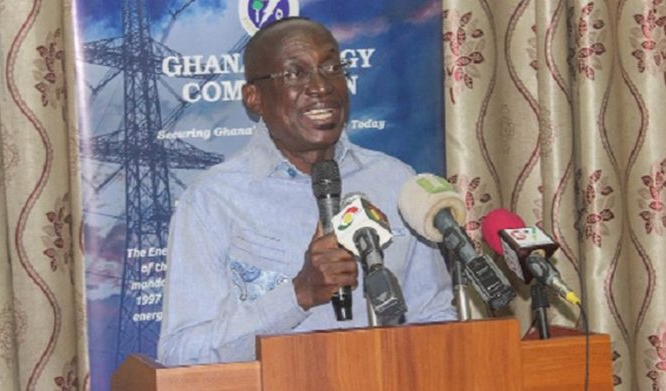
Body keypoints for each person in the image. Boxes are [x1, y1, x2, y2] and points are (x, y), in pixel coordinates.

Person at [157, 17, 456, 366]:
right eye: (295, 74)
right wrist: (298, 295)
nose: (321, 86)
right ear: (253, 98)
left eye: (331, 67)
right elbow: (181, 353)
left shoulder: (394, 180)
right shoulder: (213, 200)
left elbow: (436, 316)